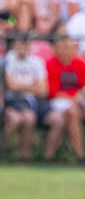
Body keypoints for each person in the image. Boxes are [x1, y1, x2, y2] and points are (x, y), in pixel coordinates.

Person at [43, 31, 85, 163]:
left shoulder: (81, 63)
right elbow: (52, 92)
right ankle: (81, 155)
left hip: (79, 101)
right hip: (58, 102)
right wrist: (73, 99)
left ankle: (50, 157)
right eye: (62, 46)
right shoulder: (50, 64)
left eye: (68, 46)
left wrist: (81, 94)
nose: (66, 50)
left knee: (72, 112)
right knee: (71, 113)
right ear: (56, 49)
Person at [4, 32, 46, 161]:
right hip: (10, 101)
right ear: (14, 45)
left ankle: (24, 156)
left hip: (28, 102)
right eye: (20, 43)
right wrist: (31, 86)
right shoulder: (9, 58)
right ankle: (5, 152)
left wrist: (21, 86)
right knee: (15, 120)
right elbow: (11, 86)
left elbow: (43, 90)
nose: (23, 47)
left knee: (29, 119)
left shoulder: (36, 62)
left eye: (26, 44)